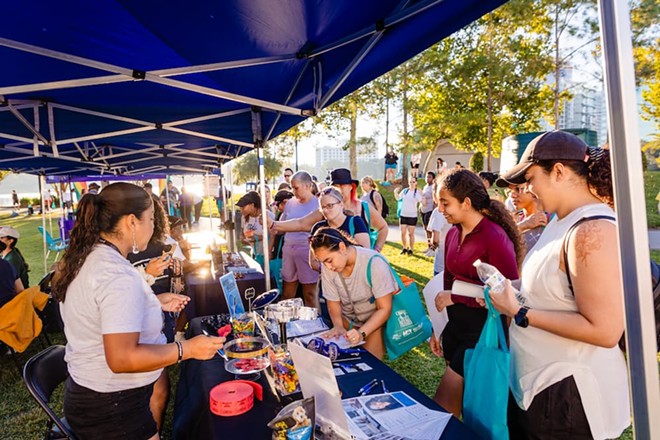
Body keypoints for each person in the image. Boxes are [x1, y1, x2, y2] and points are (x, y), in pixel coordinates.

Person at [52, 182, 225, 440]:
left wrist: (152, 303)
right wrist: (188, 349)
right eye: (152, 220)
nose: (154, 227)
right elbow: (121, 357)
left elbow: (99, 313)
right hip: (112, 406)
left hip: (98, 395)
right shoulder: (115, 274)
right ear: (132, 222)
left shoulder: (90, 257)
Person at [488, 130, 630, 439]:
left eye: (531, 178)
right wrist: (509, 287)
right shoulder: (559, 221)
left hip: (569, 399)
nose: (528, 189)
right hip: (539, 390)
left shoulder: (592, 229)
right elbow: (550, 290)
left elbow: (605, 330)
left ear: (559, 172)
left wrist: (520, 311)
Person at [429, 168, 522, 418]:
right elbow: (446, 284)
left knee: (443, 406)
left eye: (445, 203)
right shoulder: (451, 233)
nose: (440, 210)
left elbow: (510, 292)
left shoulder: (494, 237)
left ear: (466, 202)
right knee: (463, 407)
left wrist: (457, 297)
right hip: (455, 328)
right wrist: (439, 329)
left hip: (482, 333)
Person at [310, 227, 395, 359]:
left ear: (342, 247)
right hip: (346, 320)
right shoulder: (328, 267)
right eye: (323, 263)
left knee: (370, 366)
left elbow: (385, 308)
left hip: (372, 323)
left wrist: (361, 333)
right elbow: (333, 301)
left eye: (329, 260)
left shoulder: (374, 263)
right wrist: (338, 326)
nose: (328, 267)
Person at [277, 171, 320, 306]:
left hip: (308, 251)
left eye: (296, 188)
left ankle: (315, 324)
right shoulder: (290, 203)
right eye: (292, 188)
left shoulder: (318, 204)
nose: (293, 192)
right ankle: (286, 323)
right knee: (287, 293)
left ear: (308, 186)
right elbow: (281, 226)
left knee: (310, 294)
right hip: (289, 249)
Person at [496, 177, 549, 255]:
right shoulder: (514, 219)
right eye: (509, 191)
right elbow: (497, 241)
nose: (512, 195)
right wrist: (523, 225)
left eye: (518, 189)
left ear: (531, 188)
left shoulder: (551, 218)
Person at [236, 191, 275, 266]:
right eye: (240, 208)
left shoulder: (267, 216)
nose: (241, 211)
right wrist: (242, 238)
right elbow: (242, 232)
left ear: (252, 205)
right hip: (255, 254)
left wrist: (257, 238)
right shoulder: (244, 217)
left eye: (243, 207)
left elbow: (274, 235)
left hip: (267, 255)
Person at [426, 185, 451, 276]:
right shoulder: (458, 209)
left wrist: (432, 246)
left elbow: (435, 239)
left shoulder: (438, 212)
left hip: (442, 261)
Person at [394, 177, 422, 255]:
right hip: (403, 214)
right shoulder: (405, 191)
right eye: (410, 182)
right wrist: (395, 192)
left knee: (411, 234)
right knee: (403, 232)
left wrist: (423, 196)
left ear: (416, 183)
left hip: (412, 215)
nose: (411, 183)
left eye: (413, 182)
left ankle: (411, 249)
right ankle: (404, 248)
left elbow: (422, 201)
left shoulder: (417, 192)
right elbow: (398, 198)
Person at [420, 172, 436, 255]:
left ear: (433, 178)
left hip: (430, 209)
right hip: (423, 209)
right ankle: (428, 246)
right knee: (426, 229)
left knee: (430, 229)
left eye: (429, 177)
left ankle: (433, 248)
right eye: (426, 177)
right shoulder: (425, 187)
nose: (427, 178)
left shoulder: (433, 187)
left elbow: (434, 199)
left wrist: (434, 210)